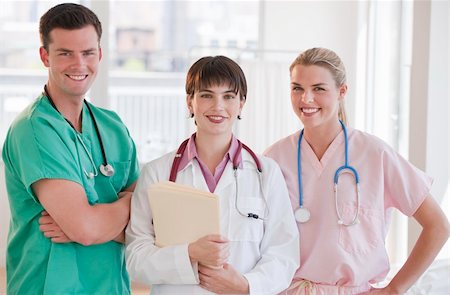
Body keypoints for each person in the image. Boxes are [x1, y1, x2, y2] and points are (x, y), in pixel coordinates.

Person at [264, 47, 450, 294]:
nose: (305, 99)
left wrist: (394, 289)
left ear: (342, 92)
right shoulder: (274, 158)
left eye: (318, 88)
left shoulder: (375, 154)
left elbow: (438, 226)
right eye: (297, 88)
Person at [125, 55, 299, 294]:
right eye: (206, 95)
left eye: (228, 96)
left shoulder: (266, 173)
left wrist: (246, 285)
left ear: (241, 103)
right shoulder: (157, 173)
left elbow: (284, 254)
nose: (218, 106)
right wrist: (189, 254)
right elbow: (135, 259)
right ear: (190, 102)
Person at [2, 3, 139, 294]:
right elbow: (87, 229)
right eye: (65, 53)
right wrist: (130, 203)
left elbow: (147, 226)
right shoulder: (34, 129)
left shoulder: (112, 126)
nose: (79, 64)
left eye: (88, 53)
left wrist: (92, 222)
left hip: (111, 287)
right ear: (44, 56)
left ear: (99, 55)